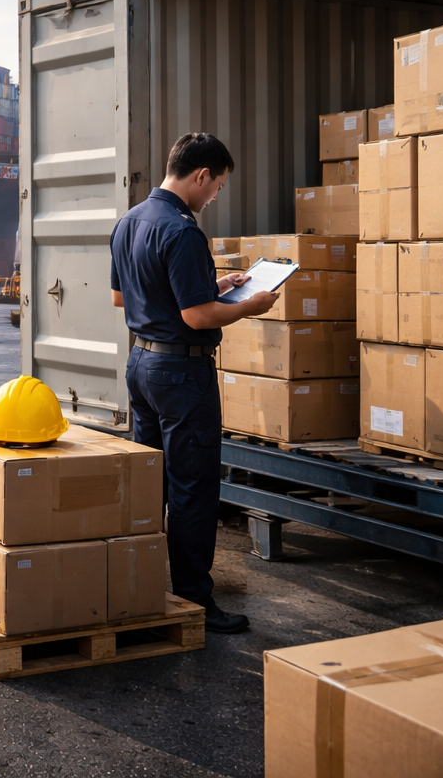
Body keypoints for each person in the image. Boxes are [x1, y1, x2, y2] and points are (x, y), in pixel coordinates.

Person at [108, 133, 279, 634]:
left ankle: (143, 585)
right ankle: (194, 599)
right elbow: (198, 315)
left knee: (152, 482)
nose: (215, 196)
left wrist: (219, 285)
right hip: (183, 375)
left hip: (142, 367)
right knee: (192, 487)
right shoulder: (183, 231)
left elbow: (124, 300)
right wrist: (250, 304)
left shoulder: (129, 222)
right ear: (200, 175)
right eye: (218, 186)